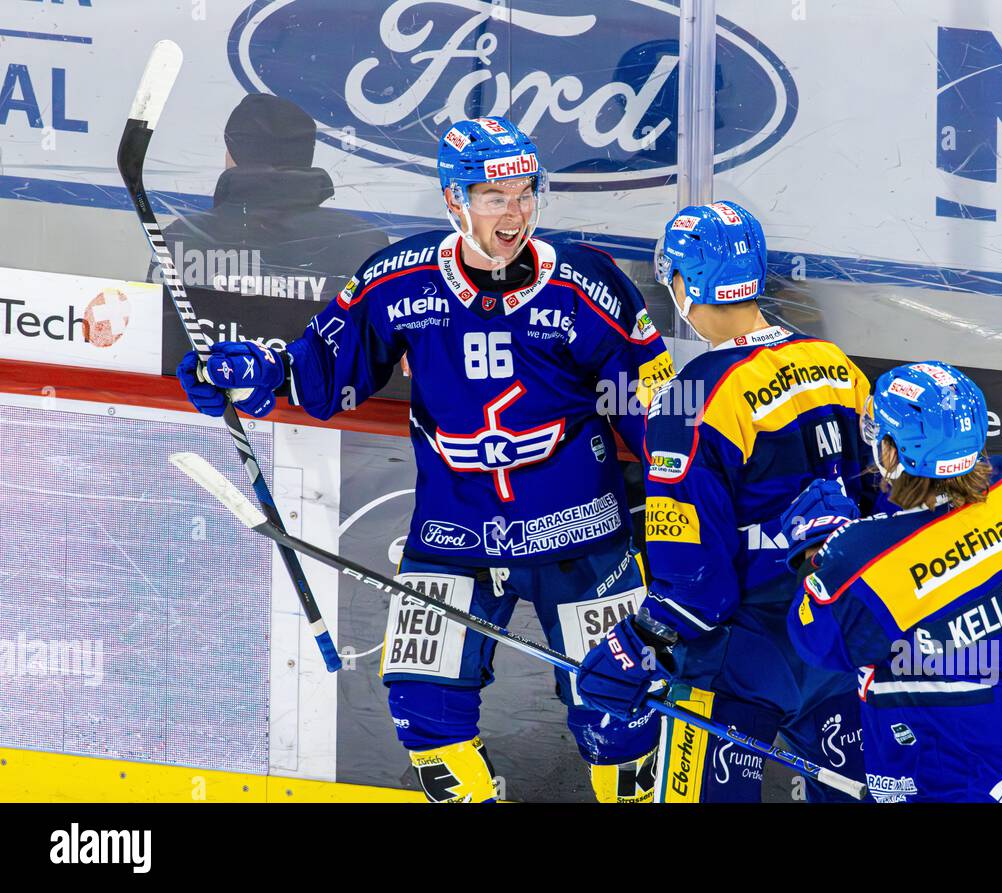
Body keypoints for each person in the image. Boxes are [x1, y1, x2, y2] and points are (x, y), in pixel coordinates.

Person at [176, 116, 676, 803]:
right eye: (495, 196)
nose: (516, 211)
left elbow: (655, 409)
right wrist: (250, 372)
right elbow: (323, 371)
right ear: (455, 200)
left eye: (526, 192)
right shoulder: (397, 279)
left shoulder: (589, 285)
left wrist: (689, 505)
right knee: (424, 715)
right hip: (454, 535)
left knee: (622, 717)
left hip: (581, 534)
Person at [575, 201, 872, 801]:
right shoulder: (834, 364)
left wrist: (638, 641)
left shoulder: (689, 398)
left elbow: (696, 585)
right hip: (837, 635)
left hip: (743, 655)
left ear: (682, 283)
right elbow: (877, 504)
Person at [781, 362, 1002, 802]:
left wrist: (818, 550)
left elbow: (816, 637)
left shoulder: (868, 561)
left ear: (890, 453)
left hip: (948, 784)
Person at [150, 93, 390, 300]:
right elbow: (383, 343)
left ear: (234, 155)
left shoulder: (181, 239)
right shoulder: (364, 244)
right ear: (306, 157)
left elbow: (153, 338)